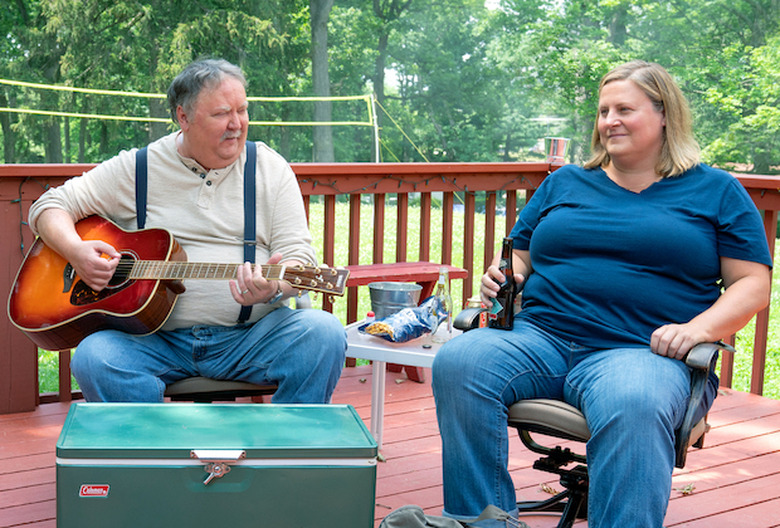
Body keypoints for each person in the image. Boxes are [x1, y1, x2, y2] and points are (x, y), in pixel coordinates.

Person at [431, 60, 772, 527]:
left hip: (641, 350)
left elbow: (752, 284)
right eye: (603, 110)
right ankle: (481, 522)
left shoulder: (716, 191)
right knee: (460, 361)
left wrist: (698, 330)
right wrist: (502, 273)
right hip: (540, 338)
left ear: (665, 114)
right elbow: (521, 255)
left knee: (634, 399)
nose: (609, 120)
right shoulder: (565, 183)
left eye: (624, 109)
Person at [28, 58, 347, 403]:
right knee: (95, 356)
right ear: (183, 117)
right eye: (222, 113)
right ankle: (155, 454)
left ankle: (289, 450)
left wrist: (273, 287)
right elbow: (48, 206)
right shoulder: (140, 167)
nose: (237, 124)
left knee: (324, 333)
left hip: (252, 337)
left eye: (243, 110)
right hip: (156, 341)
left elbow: (299, 257)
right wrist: (77, 251)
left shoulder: (270, 169)